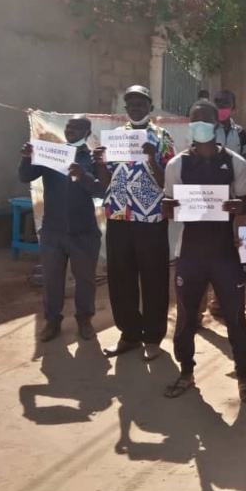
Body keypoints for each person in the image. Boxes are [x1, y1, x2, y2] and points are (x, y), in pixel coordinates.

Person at [160, 99, 246, 403]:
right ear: (189, 124)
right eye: (194, 120)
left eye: (205, 120)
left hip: (224, 254)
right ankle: (186, 372)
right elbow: (170, 209)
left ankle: (243, 376)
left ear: (217, 125)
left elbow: (245, 204)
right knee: (187, 317)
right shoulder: (177, 164)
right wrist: (169, 209)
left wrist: (238, 207)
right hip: (190, 252)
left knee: (236, 316)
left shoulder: (235, 163)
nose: (199, 125)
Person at [96, 85, 175, 361]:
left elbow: (169, 181)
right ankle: (129, 333)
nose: (135, 108)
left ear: (150, 107)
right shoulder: (115, 138)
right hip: (118, 216)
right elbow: (106, 183)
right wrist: (99, 163)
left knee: (153, 277)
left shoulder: (162, 137)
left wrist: (152, 158)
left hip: (151, 218)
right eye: (130, 104)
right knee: (120, 277)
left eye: (141, 103)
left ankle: (153, 337)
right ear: (125, 108)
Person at [20, 115, 104, 342]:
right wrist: (27, 158)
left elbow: (101, 191)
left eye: (77, 128)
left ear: (87, 133)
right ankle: (52, 321)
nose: (71, 131)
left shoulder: (93, 158)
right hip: (53, 231)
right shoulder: (53, 154)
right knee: (52, 280)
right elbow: (25, 176)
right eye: (69, 127)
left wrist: (82, 174)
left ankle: (84, 320)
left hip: (83, 232)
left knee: (85, 280)